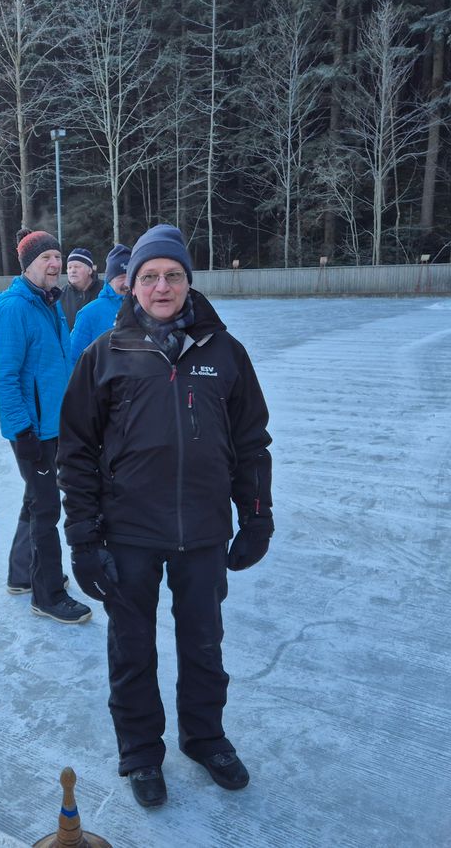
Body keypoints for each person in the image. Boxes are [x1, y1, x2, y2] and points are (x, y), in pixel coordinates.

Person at [57, 224, 273, 808]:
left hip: (202, 531)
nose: (160, 286)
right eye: (149, 276)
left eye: (172, 275)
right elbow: (75, 450)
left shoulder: (224, 352)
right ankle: (141, 751)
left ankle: (205, 737)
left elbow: (252, 441)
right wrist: (82, 538)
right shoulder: (105, 354)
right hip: (130, 531)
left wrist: (256, 516)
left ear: (188, 282)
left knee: (204, 643)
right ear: (131, 287)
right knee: (133, 649)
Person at [0, 228, 92, 624]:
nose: (55, 264)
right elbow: (5, 377)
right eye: (46, 258)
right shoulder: (15, 309)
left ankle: (21, 575)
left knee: (37, 499)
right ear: (28, 265)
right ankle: (46, 594)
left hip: (53, 425)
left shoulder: (49, 304)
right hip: (32, 430)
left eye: (57, 257)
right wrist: (22, 432)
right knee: (46, 507)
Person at [70, 243, 131, 364]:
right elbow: (73, 359)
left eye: (130, 276)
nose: (127, 283)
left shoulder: (145, 308)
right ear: (109, 280)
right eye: (121, 277)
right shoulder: (89, 313)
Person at [60, 246, 102, 330]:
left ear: (89, 270)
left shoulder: (104, 290)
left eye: (77, 267)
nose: (72, 270)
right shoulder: (61, 295)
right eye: (69, 267)